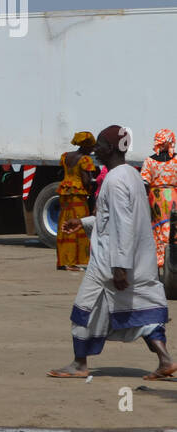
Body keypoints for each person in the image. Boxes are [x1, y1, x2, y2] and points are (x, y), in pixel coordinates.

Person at [50, 125, 174, 380]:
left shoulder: (115, 181)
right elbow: (116, 219)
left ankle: (79, 364)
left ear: (110, 148)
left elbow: (123, 224)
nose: (95, 149)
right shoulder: (131, 175)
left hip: (110, 263)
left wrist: (119, 267)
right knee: (141, 313)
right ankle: (165, 360)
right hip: (136, 261)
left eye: (100, 145)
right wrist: (84, 222)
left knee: (83, 309)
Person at [56, 131, 97, 271]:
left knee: (64, 223)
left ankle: (63, 260)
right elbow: (86, 180)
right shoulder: (85, 160)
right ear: (85, 146)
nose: (93, 149)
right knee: (79, 224)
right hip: (78, 195)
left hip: (65, 193)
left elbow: (63, 173)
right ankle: (72, 262)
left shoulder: (66, 156)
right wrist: (92, 186)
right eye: (91, 146)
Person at [140, 128, 177, 271]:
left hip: (155, 198)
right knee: (173, 228)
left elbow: (144, 183)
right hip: (174, 196)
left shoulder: (149, 161)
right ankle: (172, 259)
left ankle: (157, 260)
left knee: (156, 230)